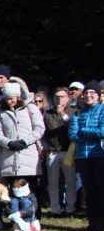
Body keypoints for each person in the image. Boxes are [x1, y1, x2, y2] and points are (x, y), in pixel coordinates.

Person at [0, 81, 45, 194]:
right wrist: (8, 143)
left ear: (18, 97)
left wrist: (24, 141)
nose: (9, 101)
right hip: (9, 159)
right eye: (6, 99)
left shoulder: (30, 108)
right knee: (14, 195)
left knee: (31, 193)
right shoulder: (2, 113)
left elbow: (39, 129)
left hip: (28, 158)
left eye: (11, 98)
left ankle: (34, 212)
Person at [69, 82, 104, 231]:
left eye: (93, 93)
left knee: (101, 190)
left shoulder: (102, 110)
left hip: (99, 155)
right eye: (87, 93)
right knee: (89, 192)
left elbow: (102, 131)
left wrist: (83, 131)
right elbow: (72, 135)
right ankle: (92, 223)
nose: (89, 95)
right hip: (82, 156)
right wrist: (89, 133)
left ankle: (102, 224)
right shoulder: (78, 113)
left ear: (98, 95)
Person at [43, 86, 77, 216]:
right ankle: (55, 209)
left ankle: (70, 208)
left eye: (62, 96)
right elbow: (44, 131)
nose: (59, 99)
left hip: (68, 151)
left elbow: (72, 128)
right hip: (52, 151)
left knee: (70, 181)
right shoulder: (48, 113)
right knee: (53, 182)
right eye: (56, 97)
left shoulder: (73, 111)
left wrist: (63, 114)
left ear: (68, 98)